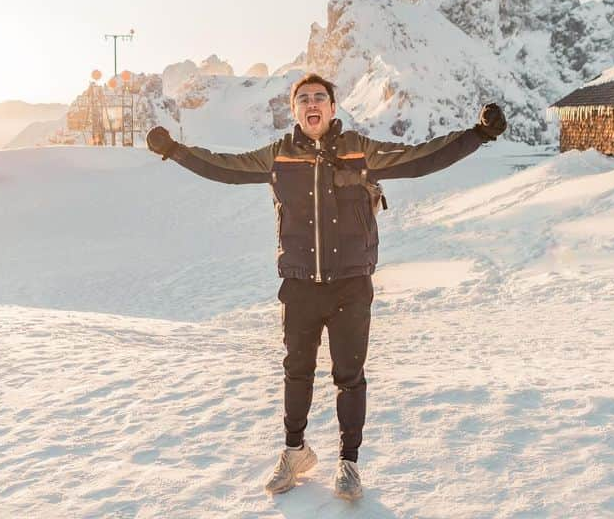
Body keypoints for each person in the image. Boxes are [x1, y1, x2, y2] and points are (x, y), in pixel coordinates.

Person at [145, 73, 506, 500]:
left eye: (320, 97)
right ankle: (295, 451)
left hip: (351, 285)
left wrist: (479, 135)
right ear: (294, 110)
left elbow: (423, 157)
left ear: (333, 108)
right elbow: (223, 166)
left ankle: (348, 462)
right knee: (296, 372)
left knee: (349, 376)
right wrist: (173, 151)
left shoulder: (359, 150)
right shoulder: (279, 156)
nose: (312, 103)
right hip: (299, 285)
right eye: (304, 99)